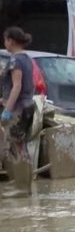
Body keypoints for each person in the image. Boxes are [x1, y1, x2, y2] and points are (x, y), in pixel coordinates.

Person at [1, 27, 37, 194]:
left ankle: (21, 188)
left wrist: (7, 110)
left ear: (11, 41)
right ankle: (25, 185)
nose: (4, 42)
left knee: (16, 147)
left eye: (5, 39)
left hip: (18, 109)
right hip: (28, 106)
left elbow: (17, 86)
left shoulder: (15, 60)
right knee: (23, 146)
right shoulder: (27, 59)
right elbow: (31, 84)